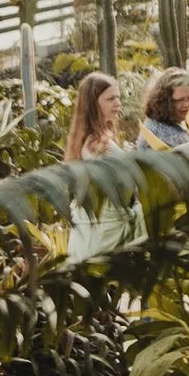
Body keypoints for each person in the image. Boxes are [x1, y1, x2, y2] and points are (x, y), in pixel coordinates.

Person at [63, 70, 128, 263]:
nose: (118, 103)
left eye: (118, 97)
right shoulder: (96, 145)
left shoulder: (91, 140)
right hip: (106, 230)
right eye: (110, 99)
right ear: (93, 105)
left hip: (98, 228)